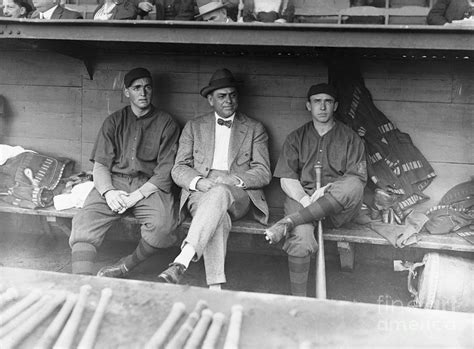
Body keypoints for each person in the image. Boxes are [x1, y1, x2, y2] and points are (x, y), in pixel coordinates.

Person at [157, 68, 271, 289]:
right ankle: (215, 288)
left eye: (232, 95)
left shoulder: (255, 128)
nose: (228, 100)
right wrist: (199, 182)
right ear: (210, 100)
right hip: (200, 191)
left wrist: (231, 181)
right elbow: (178, 168)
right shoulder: (194, 126)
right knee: (219, 220)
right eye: (222, 96)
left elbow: (263, 171)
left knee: (219, 194)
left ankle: (183, 257)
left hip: (238, 193)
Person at [69, 67, 180, 278]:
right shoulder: (114, 121)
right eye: (137, 88)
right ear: (127, 91)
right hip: (115, 183)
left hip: (149, 186)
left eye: (148, 87)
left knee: (163, 227)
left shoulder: (166, 123)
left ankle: (125, 266)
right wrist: (108, 192)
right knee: (84, 221)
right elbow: (101, 165)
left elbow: (166, 170)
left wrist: (137, 196)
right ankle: (80, 280)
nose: (143, 93)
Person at [265, 83, 367, 297]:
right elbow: (287, 178)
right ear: (308, 106)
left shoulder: (350, 138)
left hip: (337, 206)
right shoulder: (296, 138)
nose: (322, 107)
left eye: (328, 101)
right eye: (317, 101)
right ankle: (299, 302)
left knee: (354, 184)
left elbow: (355, 179)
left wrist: (330, 188)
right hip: (303, 200)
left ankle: (288, 222)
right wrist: (304, 199)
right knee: (300, 240)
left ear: (335, 106)